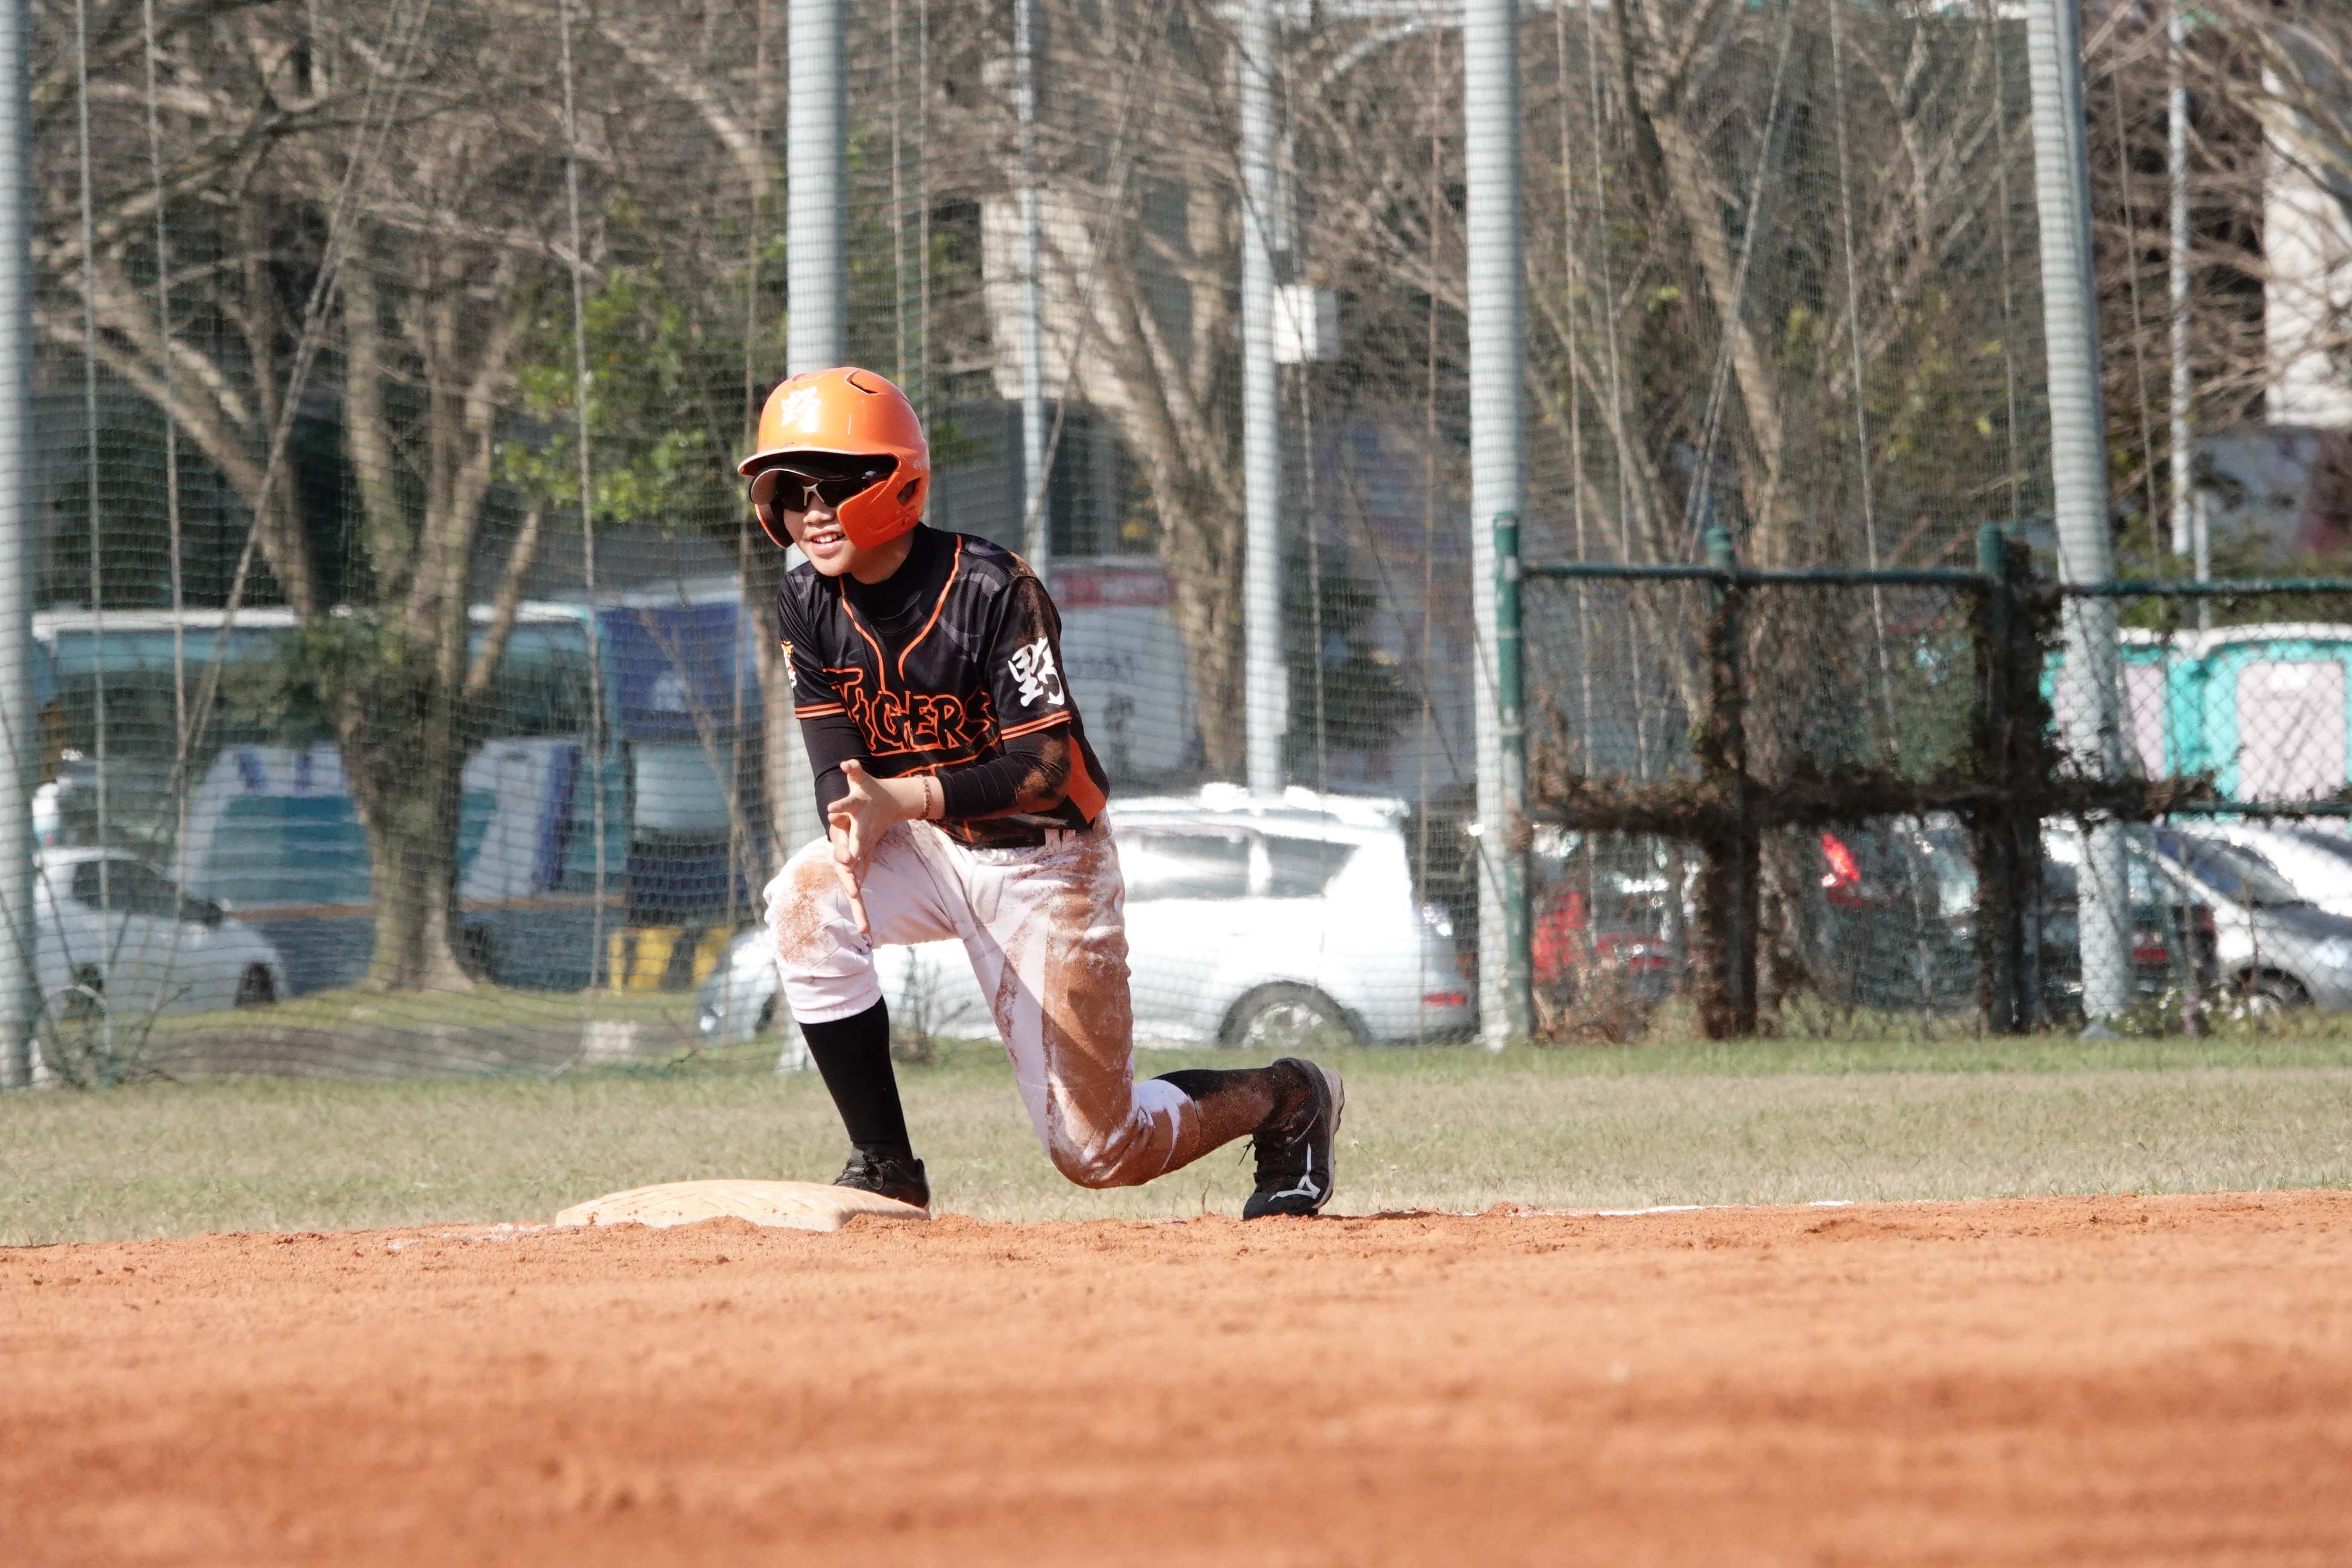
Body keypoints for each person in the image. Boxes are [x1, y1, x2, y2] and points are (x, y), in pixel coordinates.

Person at [746, 366, 1344, 1218]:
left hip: (1047, 863)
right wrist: (852, 820)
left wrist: (899, 800)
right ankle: (885, 1166)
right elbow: (834, 752)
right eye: (789, 491)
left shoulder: (991, 588)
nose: (811, 511)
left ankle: (1289, 1097)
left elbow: (1044, 767)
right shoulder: (807, 595)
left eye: (833, 486)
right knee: (805, 900)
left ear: (896, 481)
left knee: (1100, 1152)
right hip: (931, 849)